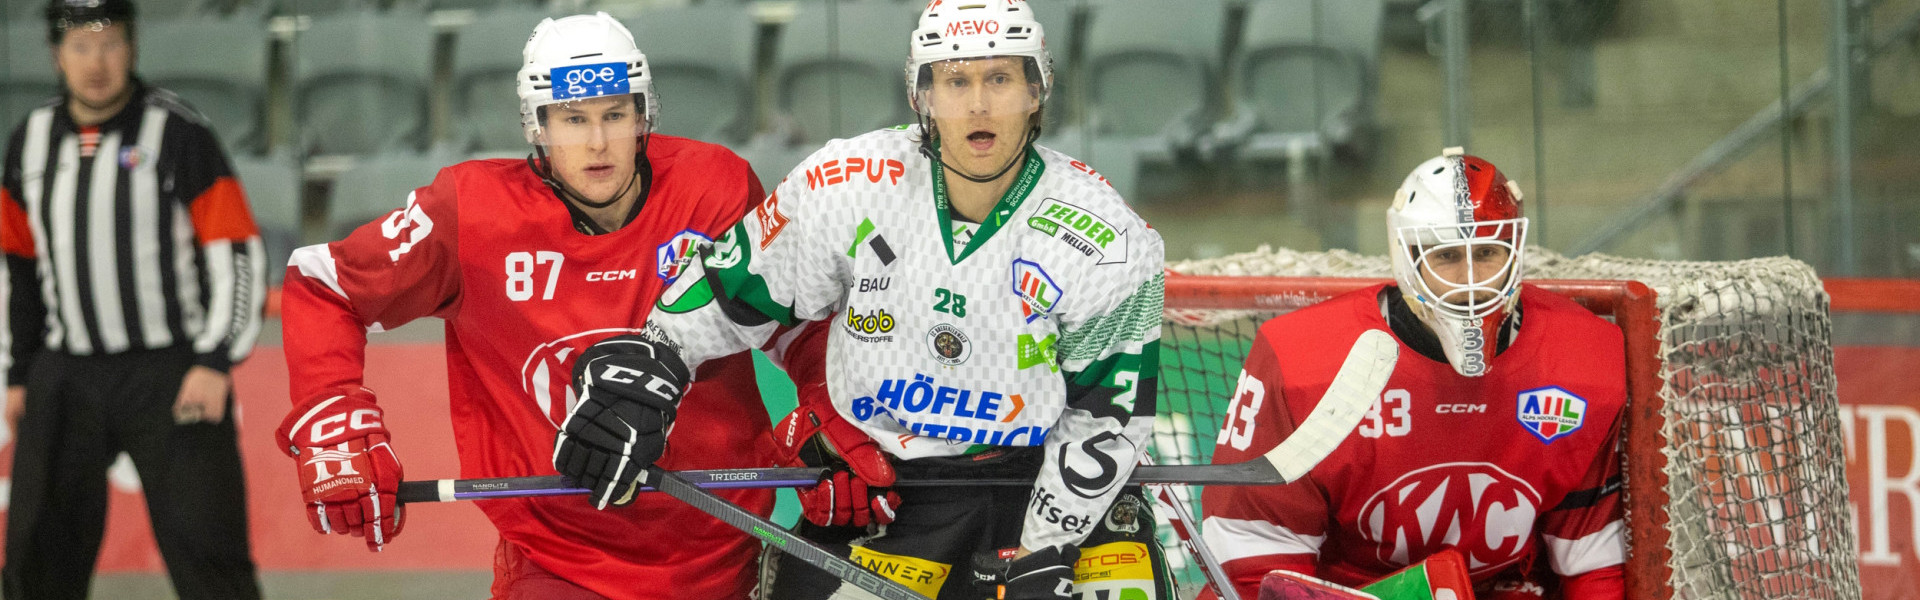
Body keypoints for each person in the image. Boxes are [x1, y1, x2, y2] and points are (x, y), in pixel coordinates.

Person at [549, 1, 1174, 598]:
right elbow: (726, 291)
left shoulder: (1104, 233)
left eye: (1001, 78)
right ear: (920, 95)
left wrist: (1045, 552)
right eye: (954, 81)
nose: (978, 103)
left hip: (1040, 483)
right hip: (890, 489)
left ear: (1037, 91)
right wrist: (652, 367)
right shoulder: (846, 184)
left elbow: (1106, 417)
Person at [273, 13, 782, 599]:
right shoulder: (470, 214)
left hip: (724, 547)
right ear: (536, 125)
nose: (597, 143)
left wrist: (821, 421)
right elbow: (323, 283)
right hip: (561, 561)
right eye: (573, 120)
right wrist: (334, 424)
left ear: (644, 116)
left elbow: (793, 314)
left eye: (615, 115)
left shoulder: (715, 186)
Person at [1198, 148, 1627, 600]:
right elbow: (1254, 566)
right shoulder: (1304, 363)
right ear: (1407, 259)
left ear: (1516, 254)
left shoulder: (1586, 363)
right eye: (1446, 257)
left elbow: (1595, 564)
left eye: (1486, 253)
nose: (1470, 282)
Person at [1, 0, 267, 597]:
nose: (97, 62)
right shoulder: (30, 140)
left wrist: (214, 359)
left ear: (133, 48)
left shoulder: (178, 132)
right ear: (56, 55)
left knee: (210, 554)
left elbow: (238, 253)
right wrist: (19, 373)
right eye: (80, 47)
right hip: (66, 374)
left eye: (111, 44)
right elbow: (18, 267)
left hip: (170, 372)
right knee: (36, 558)